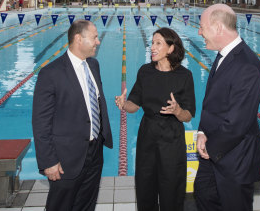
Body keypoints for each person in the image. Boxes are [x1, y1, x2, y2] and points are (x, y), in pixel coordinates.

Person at [32, 20, 113, 211]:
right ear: (78, 39)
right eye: (94, 37)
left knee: (86, 205)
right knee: (61, 206)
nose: (98, 42)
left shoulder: (93, 65)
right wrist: (48, 161)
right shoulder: (50, 73)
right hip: (65, 158)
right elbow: (40, 122)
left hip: (94, 153)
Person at [194, 4, 260, 211]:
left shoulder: (247, 65)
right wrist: (201, 132)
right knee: (203, 195)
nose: (199, 32)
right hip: (214, 151)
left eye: (202, 27)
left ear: (218, 28)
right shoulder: (223, 56)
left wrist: (210, 146)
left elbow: (237, 123)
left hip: (235, 160)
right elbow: (212, 104)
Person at [115, 27, 195, 211]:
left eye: (158, 43)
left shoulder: (184, 76)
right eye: (152, 42)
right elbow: (134, 105)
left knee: (172, 192)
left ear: (171, 48)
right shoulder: (145, 71)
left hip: (172, 138)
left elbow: (188, 114)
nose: (152, 47)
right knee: (145, 188)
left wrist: (177, 111)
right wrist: (123, 103)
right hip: (148, 136)